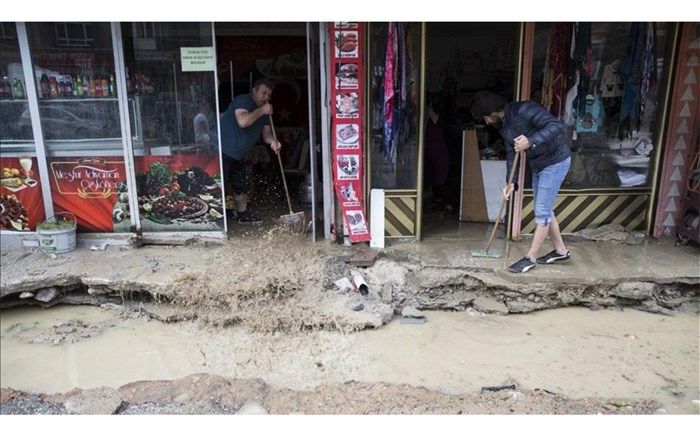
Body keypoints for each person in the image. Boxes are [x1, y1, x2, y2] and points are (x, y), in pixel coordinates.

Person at [471, 91, 572, 273]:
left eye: (485, 117)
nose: (486, 122)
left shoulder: (525, 109)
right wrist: (511, 183)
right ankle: (561, 251)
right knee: (545, 209)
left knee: (542, 211)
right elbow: (512, 154)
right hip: (539, 165)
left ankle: (530, 258)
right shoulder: (503, 126)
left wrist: (531, 140)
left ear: (493, 111)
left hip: (556, 161)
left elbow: (555, 125)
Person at [220, 78, 282, 223]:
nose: (266, 97)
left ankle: (242, 215)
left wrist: (273, 142)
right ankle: (218, 216)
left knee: (241, 185)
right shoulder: (243, 100)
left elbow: (266, 135)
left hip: (240, 154)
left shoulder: (264, 112)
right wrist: (261, 110)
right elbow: (243, 121)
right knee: (220, 184)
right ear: (254, 91)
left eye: (269, 95)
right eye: (263, 93)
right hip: (223, 150)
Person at [424, 96, 450, 210]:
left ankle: (443, 201)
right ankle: (436, 199)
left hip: (439, 151)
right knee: (431, 174)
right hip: (428, 151)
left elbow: (440, 124)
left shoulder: (435, 118)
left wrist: (428, 111)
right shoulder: (424, 117)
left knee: (440, 174)